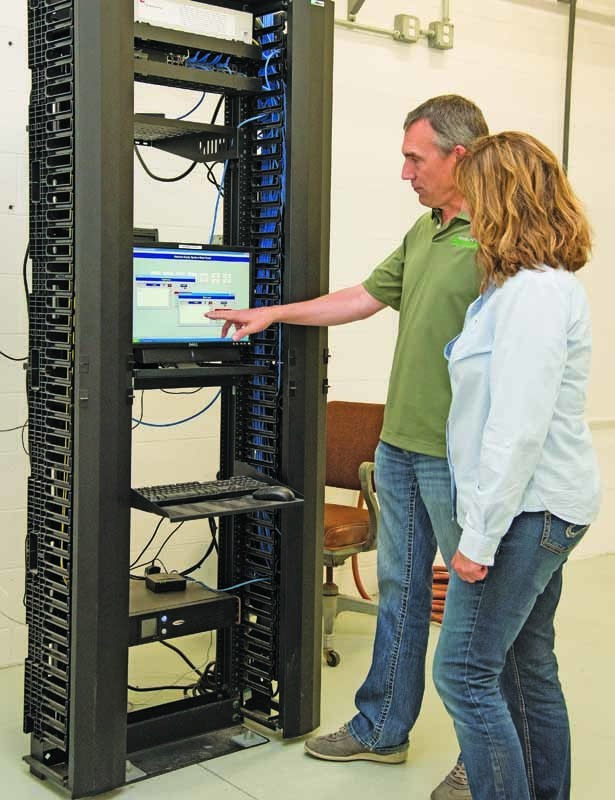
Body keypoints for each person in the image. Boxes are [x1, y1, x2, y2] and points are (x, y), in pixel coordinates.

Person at [208, 95, 488, 800]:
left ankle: (483, 758)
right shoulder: (427, 229)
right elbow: (363, 297)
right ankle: (381, 729)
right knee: (400, 593)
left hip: (460, 457)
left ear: (458, 155)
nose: (405, 172)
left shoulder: (501, 234)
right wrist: (272, 313)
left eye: (414, 158)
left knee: (474, 614)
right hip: (400, 448)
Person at [433, 132, 601, 800]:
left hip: (529, 511)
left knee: (464, 672)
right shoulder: (515, 291)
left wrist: (478, 539)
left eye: (471, 193)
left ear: (500, 199)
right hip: (538, 506)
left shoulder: (534, 295)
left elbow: (517, 427)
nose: (462, 206)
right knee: (525, 666)